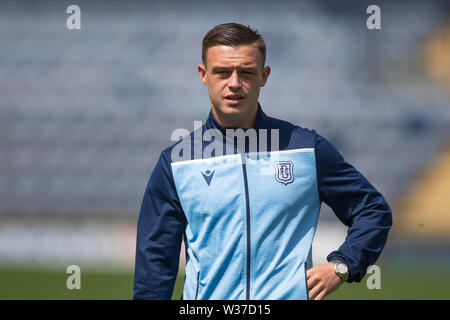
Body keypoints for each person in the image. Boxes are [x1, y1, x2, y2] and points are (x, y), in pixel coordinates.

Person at [133, 23, 392, 300]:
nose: (234, 83)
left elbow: (373, 211)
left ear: (264, 76)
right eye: (222, 72)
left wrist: (342, 265)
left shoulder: (306, 149)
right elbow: (155, 262)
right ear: (203, 75)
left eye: (246, 72)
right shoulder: (176, 162)